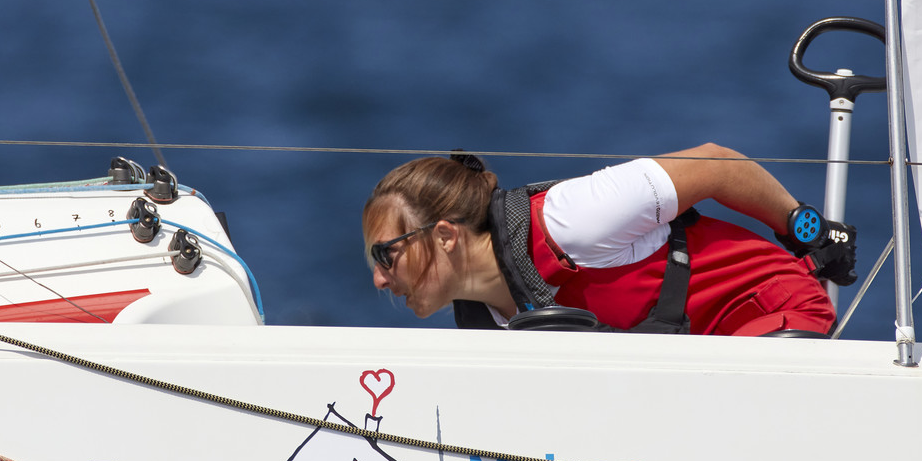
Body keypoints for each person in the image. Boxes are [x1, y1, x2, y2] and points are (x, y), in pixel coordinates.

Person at [362, 147, 856, 335]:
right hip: (701, 360)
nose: (380, 280)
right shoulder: (484, 323)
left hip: (771, 312)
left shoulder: (570, 221)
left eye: (387, 254)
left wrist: (808, 231)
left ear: (445, 236)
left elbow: (717, 166)